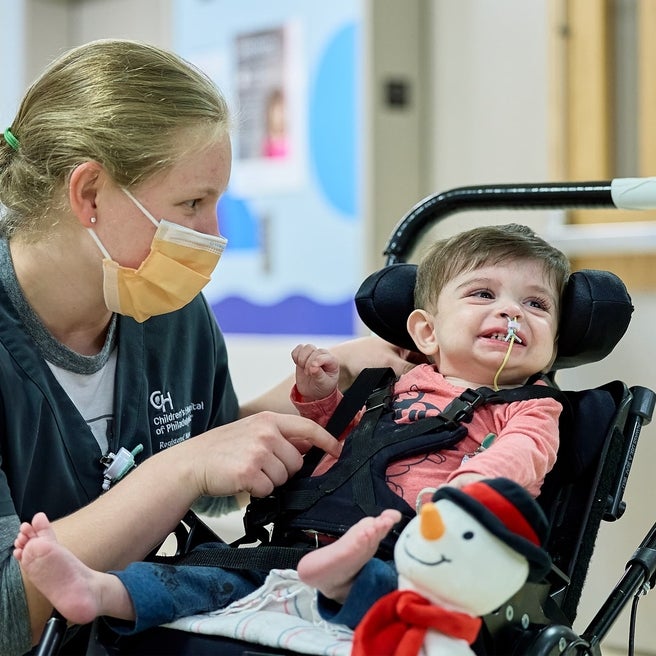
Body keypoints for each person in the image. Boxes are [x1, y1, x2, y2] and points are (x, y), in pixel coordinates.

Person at [0, 39, 410, 656]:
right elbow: (8, 613)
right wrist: (185, 467)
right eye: (192, 202)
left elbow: (205, 467)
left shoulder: (166, 310)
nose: (214, 233)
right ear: (89, 195)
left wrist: (306, 397)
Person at [13, 223, 570, 636]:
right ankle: (97, 590)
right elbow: (334, 449)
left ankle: (342, 581)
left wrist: (457, 500)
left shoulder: (530, 410)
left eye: (536, 304)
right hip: (296, 548)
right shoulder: (394, 382)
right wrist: (323, 396)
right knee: (203, 575)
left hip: (408, 560)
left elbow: (515, 463)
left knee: (391, 598)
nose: (512, 313)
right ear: (426, 330)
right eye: (483, 295)